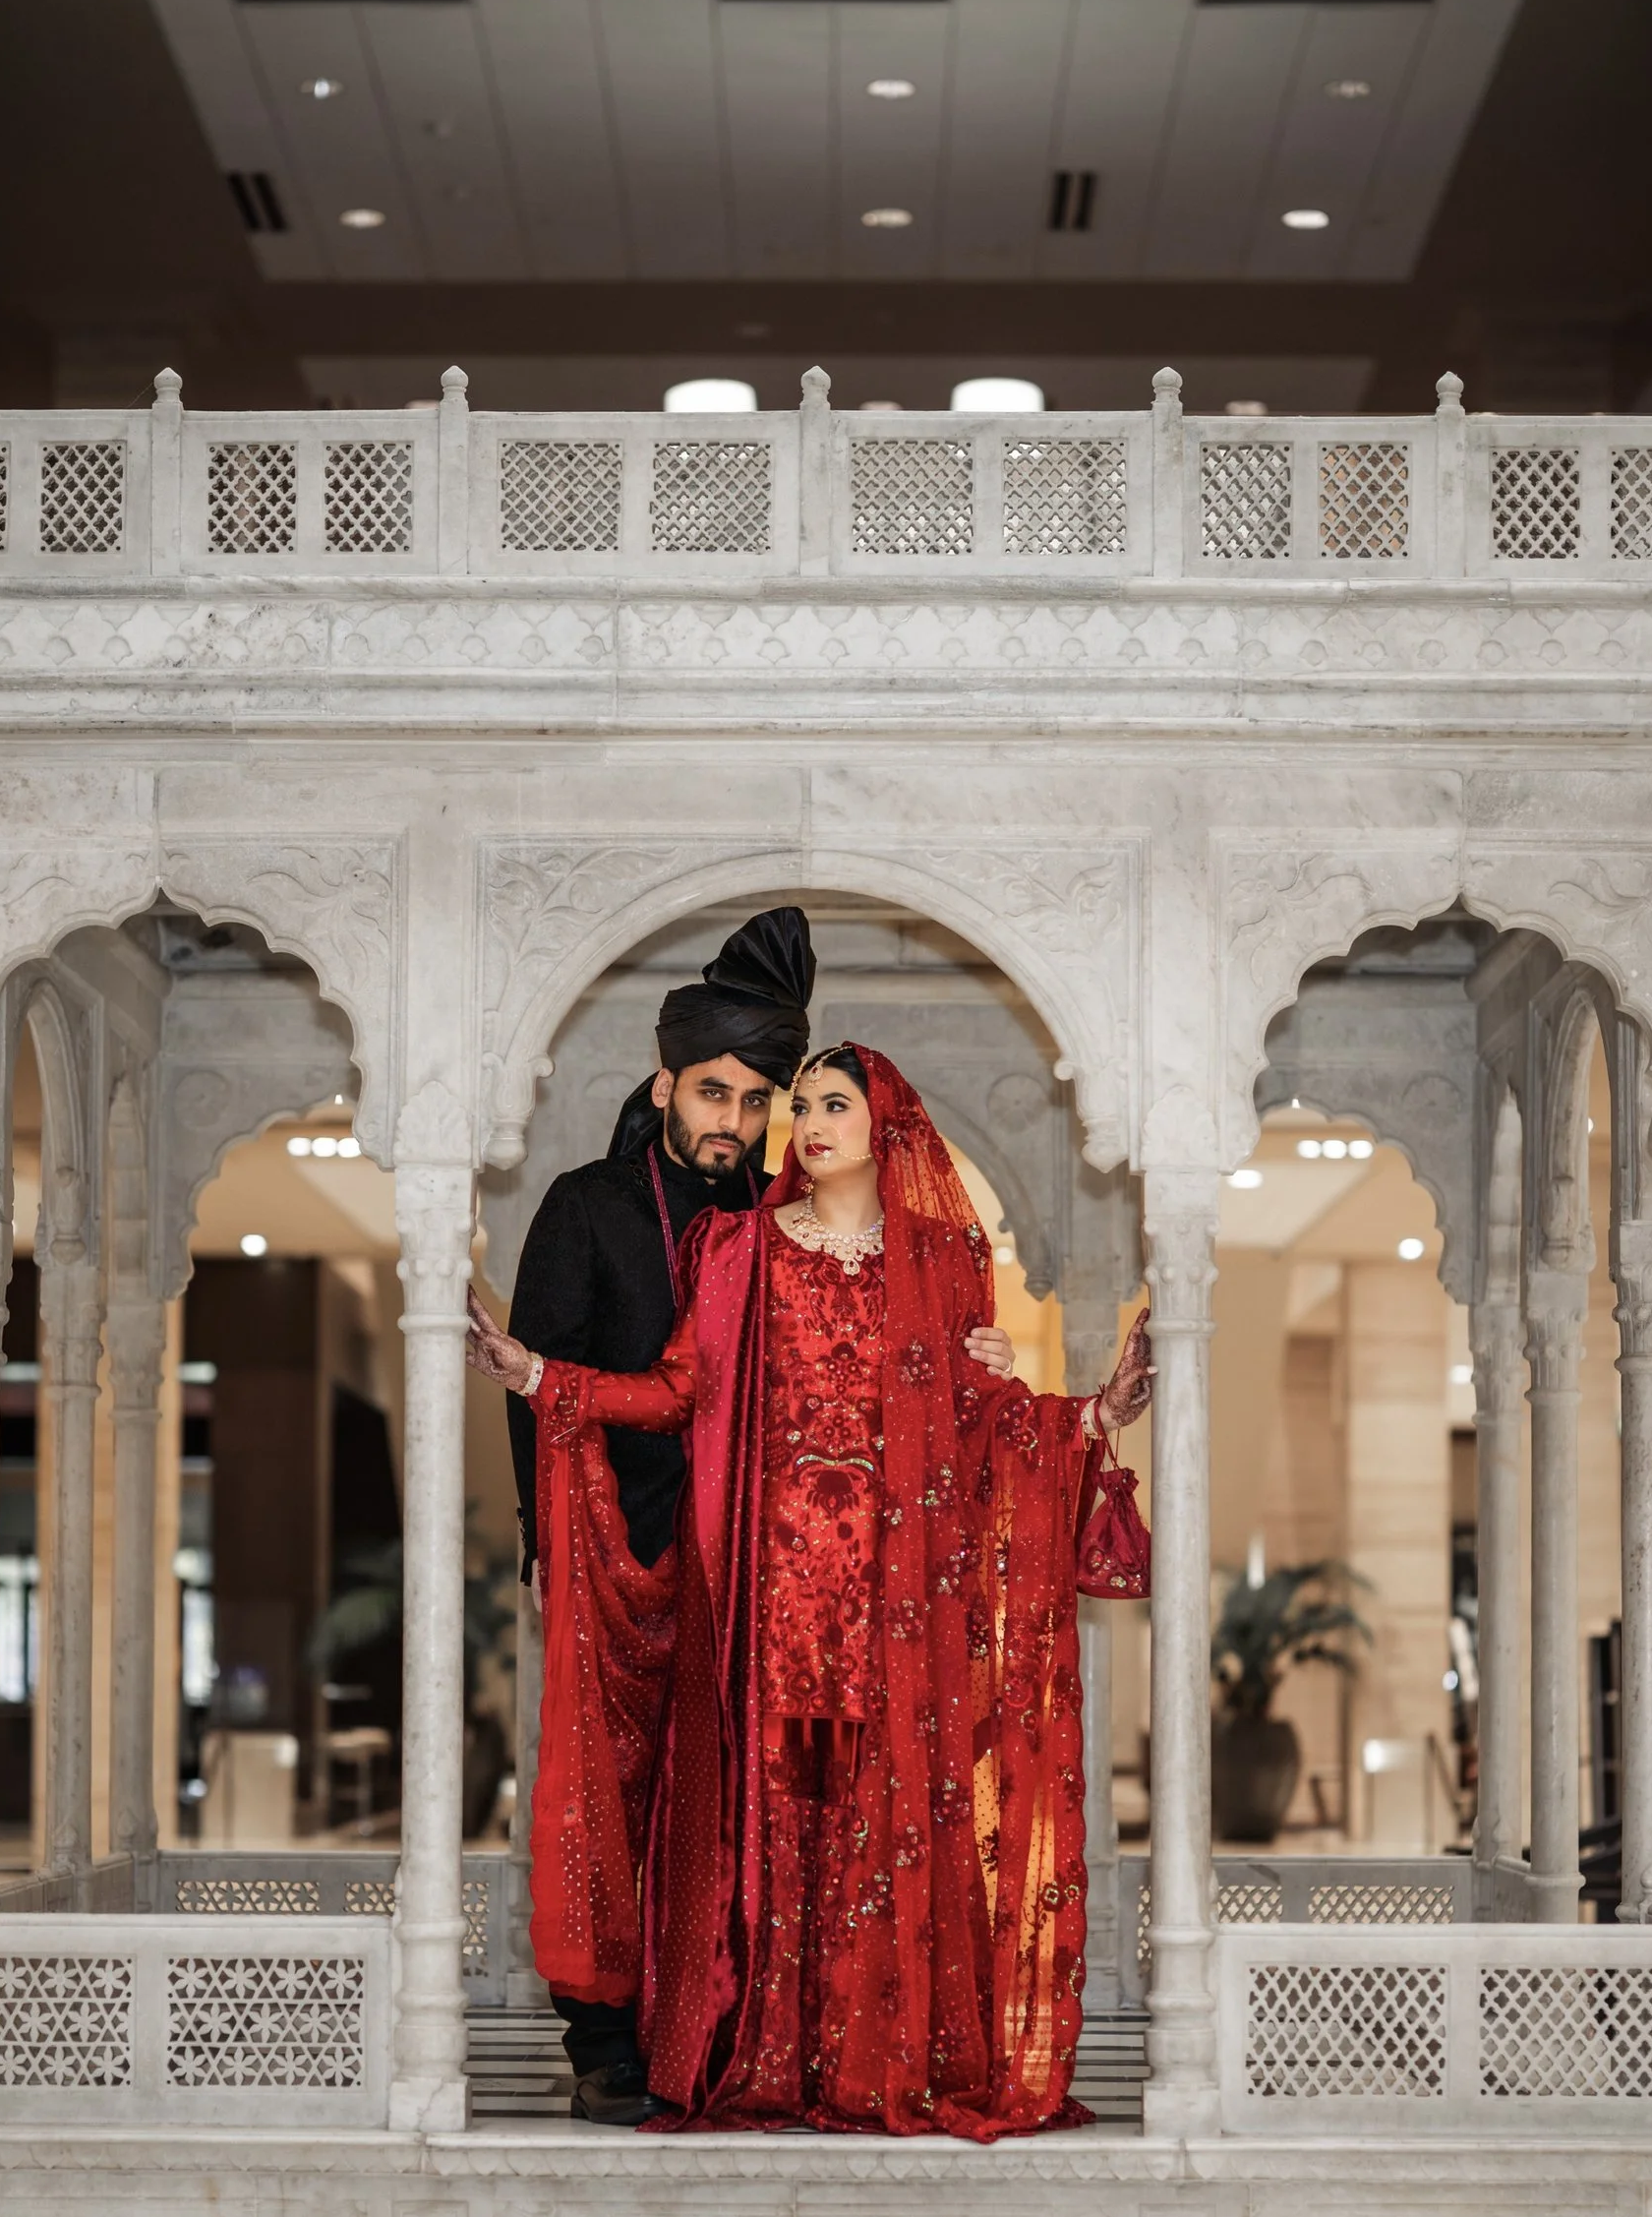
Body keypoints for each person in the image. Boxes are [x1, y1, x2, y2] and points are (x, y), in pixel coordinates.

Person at [471, 1042, 1151, 2140]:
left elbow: (979, 1421)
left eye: (832, 1104)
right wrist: (543, 1376)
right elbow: (678, 1392)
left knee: (878, 1825)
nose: (805, 1123)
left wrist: (1095, 1413)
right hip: (762, 1600)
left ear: (887, 1124)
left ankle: (867, 2058)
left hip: (892, 1606)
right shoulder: (738, 1247)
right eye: (803, 1105)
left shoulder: (941, 1257)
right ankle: (769, 2056)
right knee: (770, 1822)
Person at [502, 906, 818, 2123]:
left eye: (754, 1102)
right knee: (608, 1789)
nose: (730, 1123)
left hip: (754, 1568)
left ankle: (722, 2020)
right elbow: (539, 1389)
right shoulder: (588, 1208)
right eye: (712, 1095)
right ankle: (603, 2035)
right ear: (665, 1083)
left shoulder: (777, 1223)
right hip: (616, 1543)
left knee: (738, 1791)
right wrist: (546, 1541)